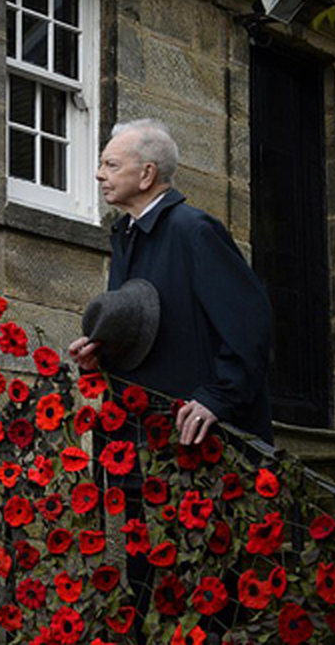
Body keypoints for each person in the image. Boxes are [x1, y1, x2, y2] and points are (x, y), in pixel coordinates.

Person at [68, 118, 274, 445]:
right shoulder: (126, 233)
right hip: (137, 438)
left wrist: (218, 397)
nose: (99, 174)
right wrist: (100, 354)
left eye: (111, 165)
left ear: (147, 174)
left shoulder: (193, 230)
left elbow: (249, 322)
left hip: (196, 444)